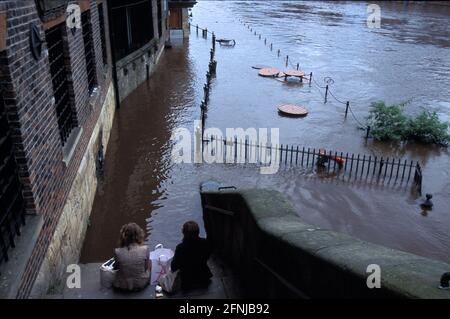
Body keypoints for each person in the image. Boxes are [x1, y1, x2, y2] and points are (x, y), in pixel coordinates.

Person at [171, 221, 212, 291]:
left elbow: (174, 267)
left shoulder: (180, 248)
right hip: (203, 276)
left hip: (187, 281)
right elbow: (207, 256)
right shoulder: (205, 242)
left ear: (184, 233)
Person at [113, 223, 151, 291]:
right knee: (150, 263)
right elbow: (145, 268)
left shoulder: (117, 251)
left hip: (122, 285)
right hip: (141, 283)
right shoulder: (145, 249)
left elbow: (117, 267)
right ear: (139, 235)